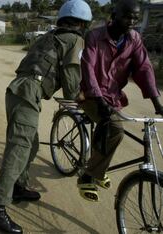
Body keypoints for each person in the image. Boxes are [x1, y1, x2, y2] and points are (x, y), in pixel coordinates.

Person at [0, 1, 92, 233]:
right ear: (82, 23)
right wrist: (80, 96)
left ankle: (19, 186)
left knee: (30, 146)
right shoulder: (75, 40)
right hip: (29, 92)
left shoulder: (50, 36)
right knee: (19, 149)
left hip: (17, 90)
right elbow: (72, 78)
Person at [77, 0, 163, 202]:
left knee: (112, 128)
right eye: (127, 16)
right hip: (90, 95)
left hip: (113, 97)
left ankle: (98, 167)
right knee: (115, 129)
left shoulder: (134, 39)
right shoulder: (95, 36)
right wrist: (98, 99)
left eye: (135, 17)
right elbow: (88, 70)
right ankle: (88, 176)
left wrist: (157, 104)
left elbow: (144, 69)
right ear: (114, 15)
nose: (131, 21)